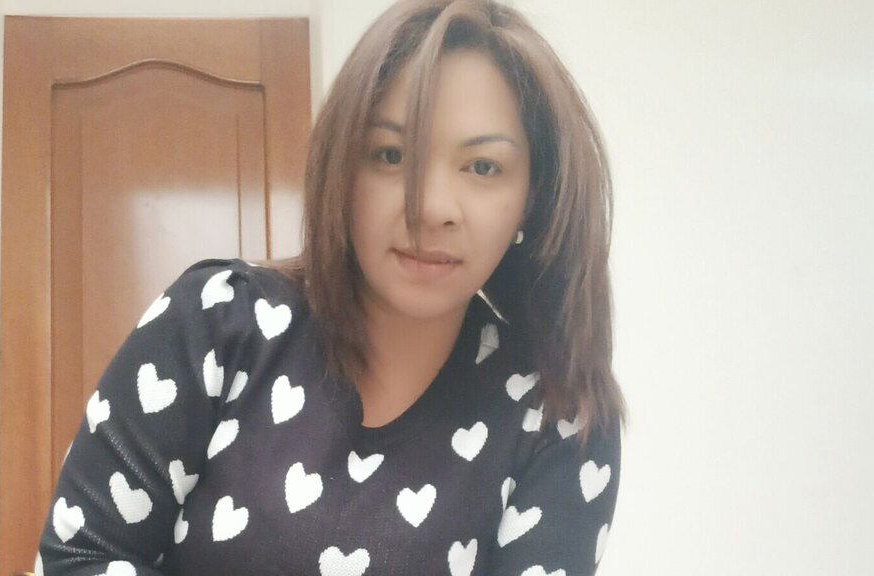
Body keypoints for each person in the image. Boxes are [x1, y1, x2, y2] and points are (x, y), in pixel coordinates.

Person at [35, 0, 628, 574]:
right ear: (341, 169)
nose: (431, 208)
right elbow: (79, 554)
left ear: (533, 197)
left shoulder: (558, 416)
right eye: (390, 155)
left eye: (483, 167)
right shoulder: (217, 323)